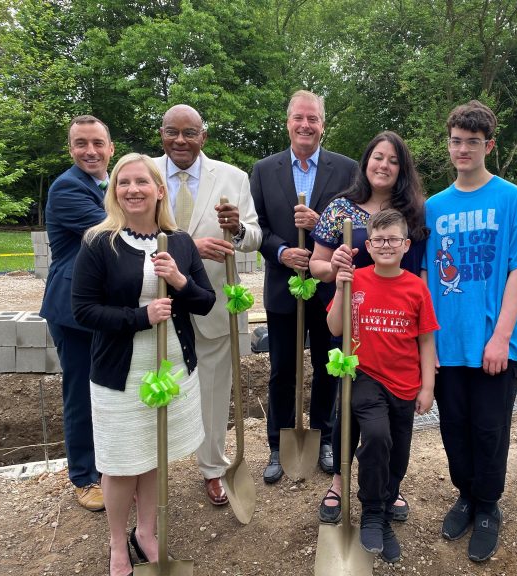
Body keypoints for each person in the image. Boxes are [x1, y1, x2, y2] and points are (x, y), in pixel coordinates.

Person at [71, 153, 215, 576]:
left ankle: (145, 533)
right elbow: (83, 310)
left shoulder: (180, 241)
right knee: (120, 463)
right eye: (123, 183)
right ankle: (119, 544)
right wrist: (140, 317)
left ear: (159, 189)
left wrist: (181, 281)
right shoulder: (100, 242)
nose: (132, 189)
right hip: (122, 373)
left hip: (171, 367)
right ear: (115, 191)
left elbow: (204, 303)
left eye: (141, 182)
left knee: (154, 457)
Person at [422, 100, 517, 562]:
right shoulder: (433, 207)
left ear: (489, 145)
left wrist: (500, 336)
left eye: (473, 142)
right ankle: (465, 495)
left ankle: (489, 505)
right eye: (456, 141)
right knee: (454, 428)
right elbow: (426, 282)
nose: (463, 149)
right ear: (448, 144)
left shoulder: (511, 199)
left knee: (489, 429)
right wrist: (427, 345)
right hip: (447, 343)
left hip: (494, 343)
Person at [310, 131, 429, 524]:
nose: (384, 165)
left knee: (393, 418)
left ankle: (388, 486)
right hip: (354, 318)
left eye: (393, 160)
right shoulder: (340, 208)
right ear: (366, 161)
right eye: (378, 157)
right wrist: (338, 267)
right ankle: (340, 479)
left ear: (402, 169)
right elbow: (317, 265)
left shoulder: (413, 212)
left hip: (397, 324)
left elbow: (420, 271)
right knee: (348, 408)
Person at [154, 104, 262, 507]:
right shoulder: (141, 173)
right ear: (161, 134)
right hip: (156, 303)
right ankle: (149, 471)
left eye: (189, 133)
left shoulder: (232, 177)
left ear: (204, 137)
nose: (180, 140)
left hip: (212, 304)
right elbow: (123, 234)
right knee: (154, 388)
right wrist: (189, 249)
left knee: (215, 393)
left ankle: (213, 468)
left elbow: (253, 236)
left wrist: (237, 228)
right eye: (172, 132)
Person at [251, 90, 358, 483]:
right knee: (282, 370)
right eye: (299, 118)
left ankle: (325, 438)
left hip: (329, 289)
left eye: (313, 119)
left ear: (322, 125)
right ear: (288, 122)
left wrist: (320, 228)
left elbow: (356, 224)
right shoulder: (264, 170)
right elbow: (256, 225)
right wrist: (280, 251)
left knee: (327, 366)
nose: (305, 125)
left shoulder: (346, 170)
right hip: (283, 288)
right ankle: (279, 445)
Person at [327, 209, 438, 562]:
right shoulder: (355, 279)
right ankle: (372, 512)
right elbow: (334, 328)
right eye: (378, 240)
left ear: (406, 245)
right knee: (375, 436)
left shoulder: (416, 288)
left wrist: (428, 387)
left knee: (397, 453)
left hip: (405, 384)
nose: (386, 245)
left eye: (393, 239)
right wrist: (341, 286)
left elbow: (425, 341)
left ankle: (386, 511)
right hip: (365, 376)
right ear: (368, 245)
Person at [40, 115, 114, 512]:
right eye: (81, 144)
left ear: (110, 148)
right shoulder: (68, 188)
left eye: (97, 143)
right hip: (74, 310)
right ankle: (84, 476)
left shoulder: (107, 184)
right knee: (81, 393)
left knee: (106, 390)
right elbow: (113, 230)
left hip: (105, 307)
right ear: (71, 149)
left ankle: (110, 468)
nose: (90, 151)